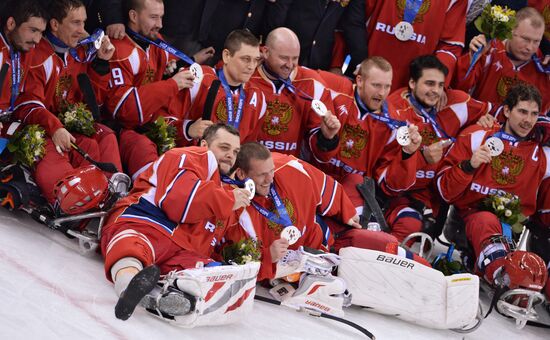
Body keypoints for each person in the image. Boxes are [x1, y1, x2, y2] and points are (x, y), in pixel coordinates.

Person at [101, 123, 254, 322]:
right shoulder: (187, 156)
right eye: (224, 148)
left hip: (180, 249)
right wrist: (228, 199)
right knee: (131, 249)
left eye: (235, 152)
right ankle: (128, 287)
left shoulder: (222, 186)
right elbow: (177, 202)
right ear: (204, 144)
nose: (230, 156)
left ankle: (173, 297)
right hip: (147, 224)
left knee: (217, 274)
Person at [436, 83, 549, 299]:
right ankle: (503, 276)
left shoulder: (541, 153)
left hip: (510, 233)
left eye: (534, 114)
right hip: (466, 222)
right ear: (506, 111)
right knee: (487, 220)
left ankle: (519, 276)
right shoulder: (477, 136)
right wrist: (469, 165)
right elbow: (444, 190)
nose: (528, 120)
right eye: (522, 111)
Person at [13, 0, 121, 204]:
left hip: (63, 126)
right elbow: (26, 104)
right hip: (38, 129)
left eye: (84, 23)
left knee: (102, 136)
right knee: (53, 146)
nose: (83, 30)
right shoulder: (37, 54)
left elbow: (92, 104)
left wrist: (101, 63)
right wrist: (55, 128)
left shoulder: (79, 54)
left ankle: (110, 193)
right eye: (76, 23)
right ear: (55, 25)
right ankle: (69, 198)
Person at [381, 55, 492, 242]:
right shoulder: (393, 112)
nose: (436, 91)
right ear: (412, 83)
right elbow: (387, 178)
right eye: (430, 84)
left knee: (426, 232)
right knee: (410, 225)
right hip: (394, 195)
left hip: (430, 199)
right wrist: (422, 157)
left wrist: (486, 119)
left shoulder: (454, 103)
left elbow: (498, 112)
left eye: (440, 85)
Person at [104, 0, 196, 179]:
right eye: (154, 17)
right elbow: (124, 110)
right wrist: (172, 84)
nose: (160, 25)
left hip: (150, 123)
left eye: (161, 17)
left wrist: (176, 68)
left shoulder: (154, 40)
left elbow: (170, 61)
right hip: (121, 131)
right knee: (146, 155)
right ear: (133, 16)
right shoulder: (118, 49)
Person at [249, 27, 341, 157]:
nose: (290, 64)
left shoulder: (313, 84)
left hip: (288, 167)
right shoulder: (246, 78)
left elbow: (321, 156)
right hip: (247, 165)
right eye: (284, 58)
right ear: (265, 52)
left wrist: (326, 138)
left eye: (295, 58)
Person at [169, 29, 267, 147]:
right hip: (191, 160)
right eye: (246, 59)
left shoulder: (258, 97)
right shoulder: (198, 79)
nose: (251, 66)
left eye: (256, 60)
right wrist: (188, 129)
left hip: (229, 164)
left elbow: (248, 146)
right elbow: (162, 123)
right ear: (226, 56)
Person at [341, 0, 467, 90]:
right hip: (363, 75)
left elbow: (449, 47)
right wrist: (361, 62)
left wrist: (433, 84)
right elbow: (354, 21)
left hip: (411, 93)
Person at [454, 7, 549, 115]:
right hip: (477, 121)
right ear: (510, 31)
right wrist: (472, 57)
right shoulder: (488, 49)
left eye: (536, 41)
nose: (530, 47)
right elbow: (459, 89)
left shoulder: (544, 68)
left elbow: (541, 116)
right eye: (525, 39)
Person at [262, 0, 349, 71]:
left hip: (318, 64)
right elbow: (278, 14)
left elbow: (342, 28)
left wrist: (335, 65)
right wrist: (270, 48)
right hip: (283, 55)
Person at [0, 0, 47, 122]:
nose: (37, 40)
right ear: (11, 24)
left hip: (9, 120)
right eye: (33, 30)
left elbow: (25, 97)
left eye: (41, 32)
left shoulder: (26, 50)